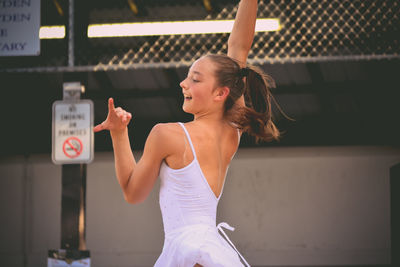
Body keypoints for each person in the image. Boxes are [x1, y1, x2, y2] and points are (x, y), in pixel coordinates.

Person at [94, 0, 281, 266]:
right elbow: (239, 48)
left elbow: (132, 193)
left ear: (220, 93)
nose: (183, 83)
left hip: (187, 250)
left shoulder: (167, 135)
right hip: (212, 251)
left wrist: (118, 133)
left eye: (195, 79)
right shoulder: (232, 131)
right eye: (187, 76)